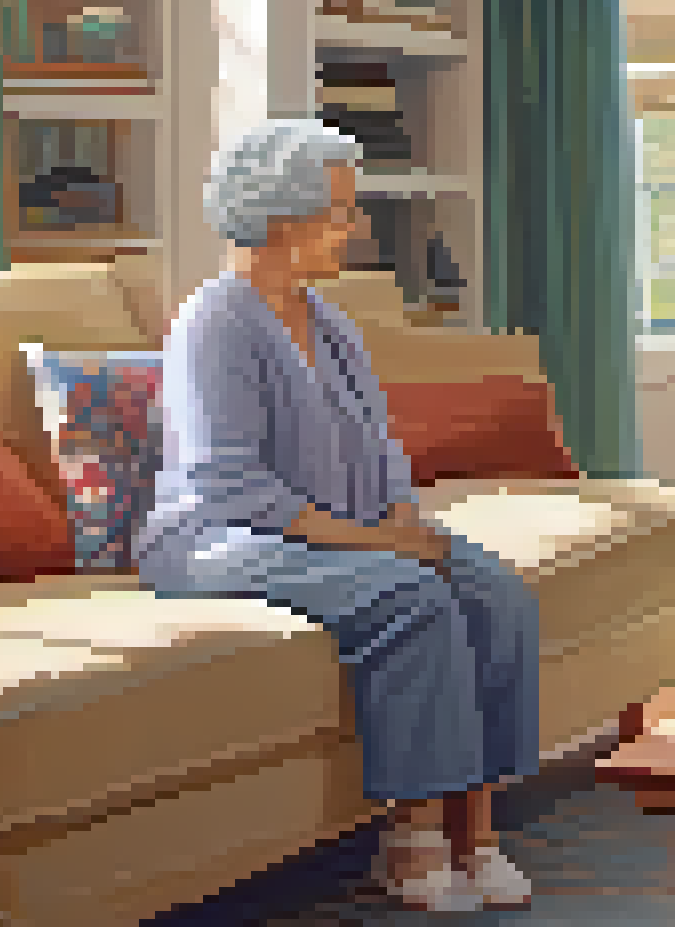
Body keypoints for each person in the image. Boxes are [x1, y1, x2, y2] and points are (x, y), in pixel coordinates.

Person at [138, 118, 539, 913]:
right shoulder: (215, 322)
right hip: (218, 539)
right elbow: (233, 487)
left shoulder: (333, 324)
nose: (354, 228)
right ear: (281, 221)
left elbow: (383, 450)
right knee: (411, 595)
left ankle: (479, 834)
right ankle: (414, 838)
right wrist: (380, 543)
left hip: (344, 530)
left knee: (496, 592)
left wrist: (401, 520)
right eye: (341, 213)